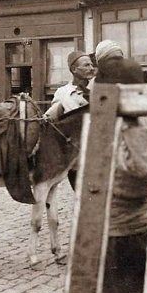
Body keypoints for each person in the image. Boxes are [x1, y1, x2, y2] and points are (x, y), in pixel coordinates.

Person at [96, 57, 147, 293]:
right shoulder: (110, 123)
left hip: (125, 234)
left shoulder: (135, 127)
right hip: (104, 231)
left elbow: (141, 176)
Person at [44, 50, 95, 189]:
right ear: (74, 69)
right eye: (86, 65)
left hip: (97, 151)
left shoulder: (97, 88)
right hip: (76, 156)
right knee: (82, 194)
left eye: (91, 65)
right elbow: (50, 119)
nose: (91, 68)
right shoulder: (63, 93)